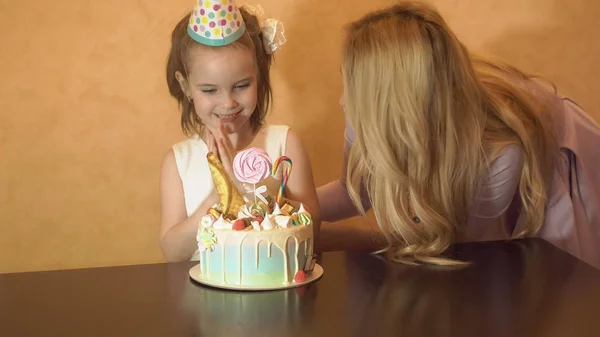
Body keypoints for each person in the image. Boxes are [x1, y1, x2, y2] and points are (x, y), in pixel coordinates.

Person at [317, 1, 600, 268]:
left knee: (549, 280)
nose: (342, 100)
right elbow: (353, 190)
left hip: (551, 154)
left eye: (352, 89)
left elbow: (465, 253)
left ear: (393, 104)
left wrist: (347, 240)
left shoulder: (499, 157)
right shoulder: (367, 115)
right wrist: (292, 208)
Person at [160, 2, 320, 262]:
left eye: (242, 85)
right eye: (210, 90)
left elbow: (313, 230)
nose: (228, 103)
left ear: (258, 75)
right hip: (203, 298)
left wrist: (251, 187)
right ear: (185, 86)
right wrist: (220, 194)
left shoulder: (285, 145)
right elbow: (172, 252)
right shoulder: (178, 161)